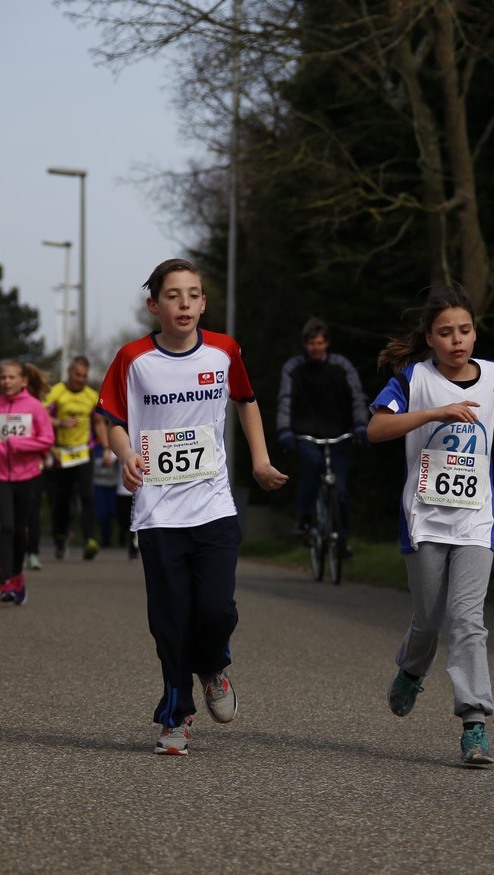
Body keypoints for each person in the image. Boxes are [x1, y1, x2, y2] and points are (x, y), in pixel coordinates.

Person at [98, 257, 287, 755]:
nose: (184, 303)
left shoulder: (224, 351)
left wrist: (261, 461)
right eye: (173, 295)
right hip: (158, 512)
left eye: (193, 295)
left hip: (213, 505)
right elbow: (112, 419)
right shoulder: (133, 358)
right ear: (153, 305)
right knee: (170, 620)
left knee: (217, 608)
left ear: (204, 303)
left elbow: (246, 400)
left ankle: (213, 665)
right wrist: (126, 455)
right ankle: (176, 716)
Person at [366, 285, 494, 768]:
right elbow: (376, 429)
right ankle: (411, 670)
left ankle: (474, 723)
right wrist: (435, 412)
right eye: (445, 332)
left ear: (475, 332)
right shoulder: (412, 378)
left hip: (477, 519)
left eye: (464, 330)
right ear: (429, 338)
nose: (457, 340)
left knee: (467, 620)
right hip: (425, 520)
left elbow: (493, 414)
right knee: (429, 619)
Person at [275, 318, 368, 540]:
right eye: (311, 343)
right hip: (305, 434)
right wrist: (284, 429)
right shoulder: (293, 368)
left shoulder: (342, 366)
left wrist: (361, 424)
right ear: (304, 344)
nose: (315, 347)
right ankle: (304, 517)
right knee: (314, 463)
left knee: (341, 490)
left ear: (327, 343)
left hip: (337, 435)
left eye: (319, 343)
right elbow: (286, 399)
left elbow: (357, 397)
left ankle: (342, 540)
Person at [0, 360, 54, 606]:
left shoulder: (35, 407)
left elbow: (47, 439)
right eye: (3, 377)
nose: (6, 382)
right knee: (6, 526)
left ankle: (18, 575)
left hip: (27, 475)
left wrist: (20, 444)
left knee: (20, 530)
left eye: (11, 377)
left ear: (23, 381)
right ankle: (6, 580)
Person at [46, 355, 107, 561]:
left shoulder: (91, 395)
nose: (80, 379)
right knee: (63, 500)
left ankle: (89, 539)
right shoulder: (57, 392)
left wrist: (107, 448)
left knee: (87, 496)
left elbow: (98, 423)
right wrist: (60, 424)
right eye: (77, 375)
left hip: (84, 451)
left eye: (84, 376)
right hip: (62, 452)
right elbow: (41, 416)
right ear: (69, 373)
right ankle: (60, 537)